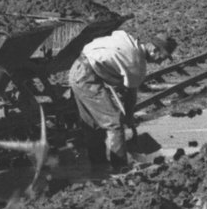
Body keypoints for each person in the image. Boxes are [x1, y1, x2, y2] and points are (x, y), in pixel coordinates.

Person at [69, 25, 177, 170]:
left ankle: (98, 165)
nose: (160, 62)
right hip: (87, 77)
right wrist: (128, 118)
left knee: (93, 123)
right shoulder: (137, 65)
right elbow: (130, 97)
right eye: (162, 57)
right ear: (153, 49)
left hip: (77, 69)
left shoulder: (127, 39)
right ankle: (120, 168)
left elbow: (110, 59)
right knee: (114, 123)